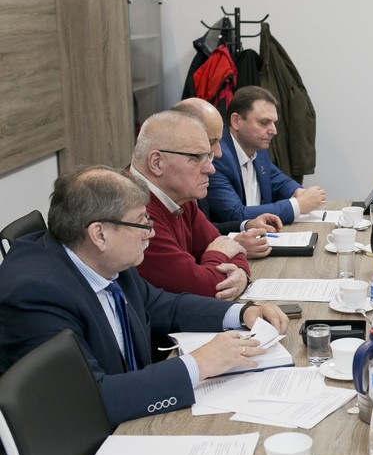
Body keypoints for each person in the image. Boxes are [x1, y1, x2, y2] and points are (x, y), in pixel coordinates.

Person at [0, 166, 288, 426]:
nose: (150, 233)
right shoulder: (37, 294)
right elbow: (88, 400)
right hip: (83, 448)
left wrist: (242, 313)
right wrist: (200, 363)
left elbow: (163, 304)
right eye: (141, 223)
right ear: (99, 235)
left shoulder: (105, 259)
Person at [130, 110, 251, 300]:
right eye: (196, 157)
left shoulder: (179, 196)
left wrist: (242, 274)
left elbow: (229, 246)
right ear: (157, 162)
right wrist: (217, 255)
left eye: (208, 157)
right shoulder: (134, 212)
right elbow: (203, 288)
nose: (210, 168)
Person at [172, 98, 282, 259]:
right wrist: (234, 247)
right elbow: (184, 265)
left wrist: (246, 225)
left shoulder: (186, 192)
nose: (218, 153)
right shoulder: (150, 205)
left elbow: (205, 234)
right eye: (211, 142)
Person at [206, 86, 326, 224]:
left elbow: (278, 181)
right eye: (264, 123)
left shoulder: (258, 148)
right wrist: (298, 205)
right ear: (236, 121)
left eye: (274, 123)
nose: (274, 131)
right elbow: (235, 214)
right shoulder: (216, 157)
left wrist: (298, 191)